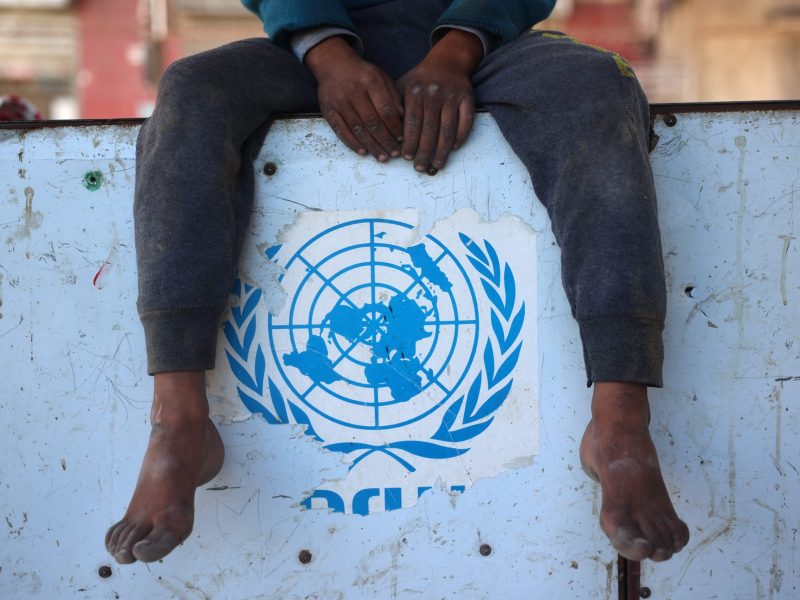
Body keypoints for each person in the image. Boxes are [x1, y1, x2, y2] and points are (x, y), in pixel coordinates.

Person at [105, 0, 690, 565]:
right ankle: (179, 424)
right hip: (316, 50)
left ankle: (618, 426)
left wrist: (456, 51)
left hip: (487, 45)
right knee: (190, 90)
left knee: (598, 83)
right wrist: (328, 54)